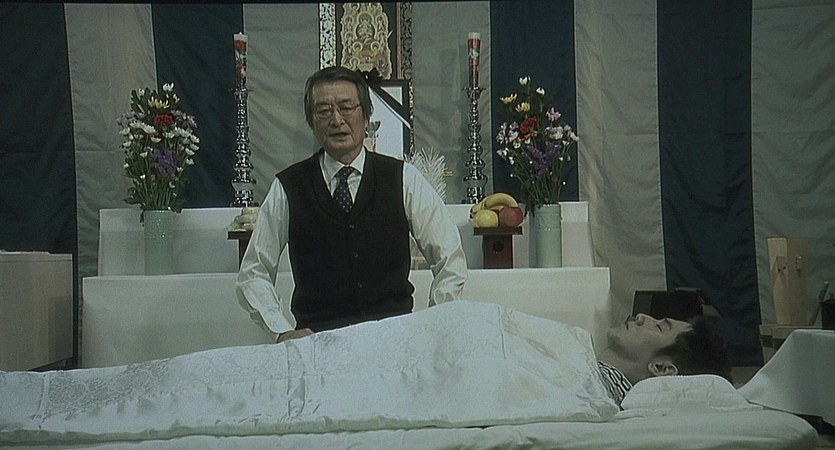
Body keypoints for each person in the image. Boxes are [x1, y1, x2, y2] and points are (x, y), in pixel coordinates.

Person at [236, 66, 467, 344]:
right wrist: (281, 330)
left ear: (367, 116)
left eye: (346, 107)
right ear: (311, 122)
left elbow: (450, 258)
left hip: (394, 344)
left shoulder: (403, 178)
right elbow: (253, 272)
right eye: (324, 111)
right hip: (318, 347)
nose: (337, 120)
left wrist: (434, 324)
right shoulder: (289, 186)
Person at [597, 313, 733, 405]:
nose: (640, 317)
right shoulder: (592, 377)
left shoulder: (596, 398)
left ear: (661, 368)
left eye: (659, 327)